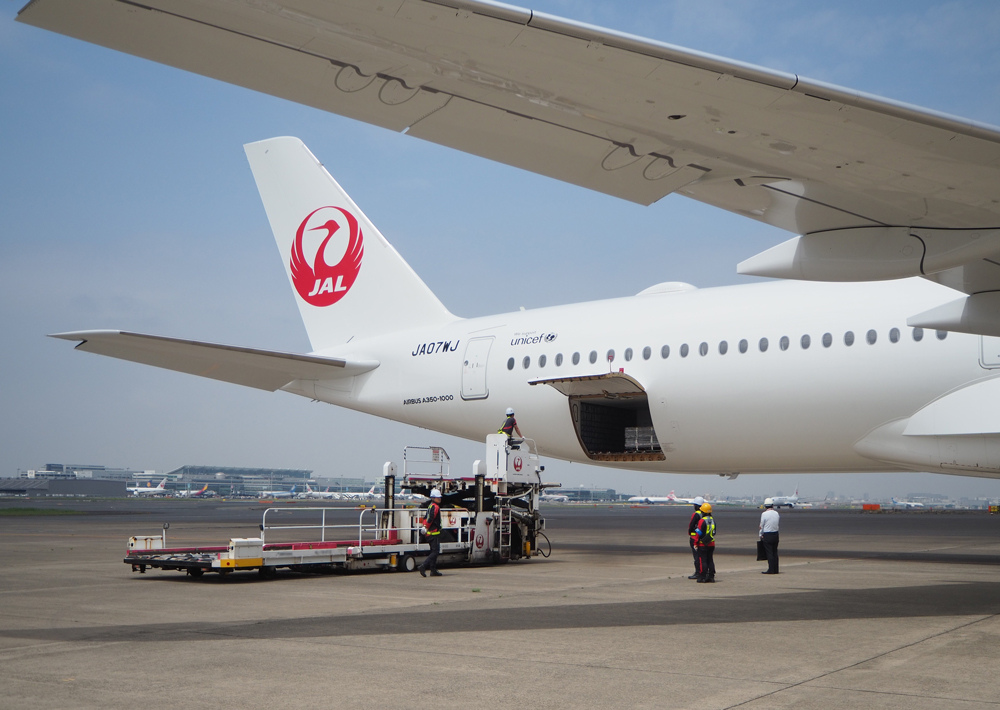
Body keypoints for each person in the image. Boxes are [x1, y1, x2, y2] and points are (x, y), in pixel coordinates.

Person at [418, 489, 444, 577]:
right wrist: (426, 527)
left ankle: (433, 570)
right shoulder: (435, 507)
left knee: (433, 551)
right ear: (433, 498)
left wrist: (424, 527)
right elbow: (430, 518)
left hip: (429, 533)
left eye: (439, 497)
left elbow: (426, 518)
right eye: (438, 497)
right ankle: (423, 566)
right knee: (435, 552)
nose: (439, 499)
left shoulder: (430, 506)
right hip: (433, 533)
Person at [691, 502, 716, 583]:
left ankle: (702, 577)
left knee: (703, 561)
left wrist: (695, 543)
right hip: (711, 543)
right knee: (710, 560)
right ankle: (711, 576)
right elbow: (714, 532)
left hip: (702, 544)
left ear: (703, 512)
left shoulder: (702, 521)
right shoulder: (712, 520)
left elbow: (699, 533)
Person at [759, 498, 780, 574]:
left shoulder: (764, 514)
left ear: (765, 506)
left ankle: (771, 569)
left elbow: (761, 526)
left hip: (768, 535)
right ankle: (776, 569)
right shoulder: (776, 513)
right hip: (775, 534)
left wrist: (760, 534)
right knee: (775, 552)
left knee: (769, 553)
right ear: (772, 505)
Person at [687, 496, 705, 579]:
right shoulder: (704, 514)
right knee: (702, 557)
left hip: (695, 538)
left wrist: (692, 532)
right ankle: (703, 572)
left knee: (696, 557)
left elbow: (691, 526)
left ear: (697, 505)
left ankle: (698, 573)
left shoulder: (696, 514)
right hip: (703, 538)